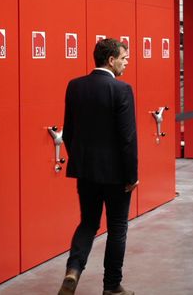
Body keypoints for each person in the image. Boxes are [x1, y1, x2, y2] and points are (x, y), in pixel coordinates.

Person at [58, 38, 138, 295]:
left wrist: (81, 162)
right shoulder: (122, 90)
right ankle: (112, 286)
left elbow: (68, 132)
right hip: (116, 176)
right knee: (117, 228)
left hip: (86, 171)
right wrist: (131, 176)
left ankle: (72, 272)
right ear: (111, 60)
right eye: (124, 58)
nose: (127, 63)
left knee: (88, 223)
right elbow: (127, 139)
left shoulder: (75, 86)